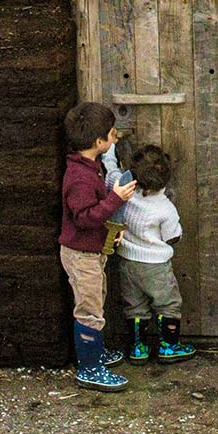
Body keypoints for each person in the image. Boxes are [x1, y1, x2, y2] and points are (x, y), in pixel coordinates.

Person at [59, 102, 138, 391]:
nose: (114, 137)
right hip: (80, 256)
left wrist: (110, 230)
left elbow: (95, 214)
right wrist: (115, 199)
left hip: (91, 252)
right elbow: (83, 218)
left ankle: (96, 353)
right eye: (110, 134)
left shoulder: (91, 166)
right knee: (89, 309)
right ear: (98, 142)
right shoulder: (79, 178)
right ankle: (90, 369)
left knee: (97, 300)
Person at [103, 142, 196, 363]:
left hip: (127, 262)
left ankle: (138, 348)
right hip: (156, 267)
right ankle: (168, 346)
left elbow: (111, 174)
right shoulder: (165, 208)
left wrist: (109, 152)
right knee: (168, 304)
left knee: (134, 306)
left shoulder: (124, 190)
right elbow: (172, 236)